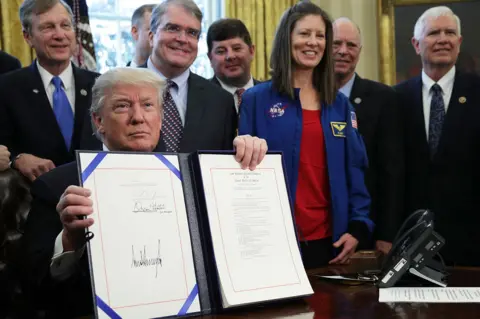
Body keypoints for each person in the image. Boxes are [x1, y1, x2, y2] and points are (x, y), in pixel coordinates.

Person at [21, 67, 268, 317]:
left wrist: (245, 162)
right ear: (98, 121)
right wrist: (69, 242)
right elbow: (33, 289)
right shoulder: (55, 186)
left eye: (148, 105)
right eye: (122, 106)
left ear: (160, 118)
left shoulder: (192, 176)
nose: (138, 117)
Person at [239, 1, 373, 269]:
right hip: (272, 240)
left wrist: (358, 226)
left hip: (329, 242)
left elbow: (356, 170)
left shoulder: (340, 105)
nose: (313, 42)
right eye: (304, 34)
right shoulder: (255, 99)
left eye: (320, 35)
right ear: (286, 38)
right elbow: (243, 171)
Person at [81, 0, 239, 154]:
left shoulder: (220, 101)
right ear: (151, 36)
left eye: (192, 33)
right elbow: (91, 156)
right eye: (172, 28)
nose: (182, 39)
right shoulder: (110, 90)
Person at [395, 6, 480, 266]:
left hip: (471, 239)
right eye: (433, 33)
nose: (443, 39)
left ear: (459, 42)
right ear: (416, 44)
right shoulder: (396, 98)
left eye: (450, 33)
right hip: (411, 237)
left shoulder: (477, 92)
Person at [0, 0, 99, 182]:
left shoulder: (100, 85)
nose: (60, 35)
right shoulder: (7, 87)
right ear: (27, 37)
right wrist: (17, 159)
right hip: (33, 199)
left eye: (65, 26)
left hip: (93, 198)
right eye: (48, 27)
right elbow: (4, 148)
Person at [333, 17, 404, 254]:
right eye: (336, 44)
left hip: (368, 230)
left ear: (360, 51)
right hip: (321, 228)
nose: (343, 51)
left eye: (351, 45)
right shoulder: (307, 98)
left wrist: (386, 234)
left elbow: (391, 172)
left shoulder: (384, 98)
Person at [207, 18, 260, 112]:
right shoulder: (196, 99)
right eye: (221, 51)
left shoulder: (272, 95)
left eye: (236, 48)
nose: (230, 56)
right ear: (210, 58)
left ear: (251, 51)